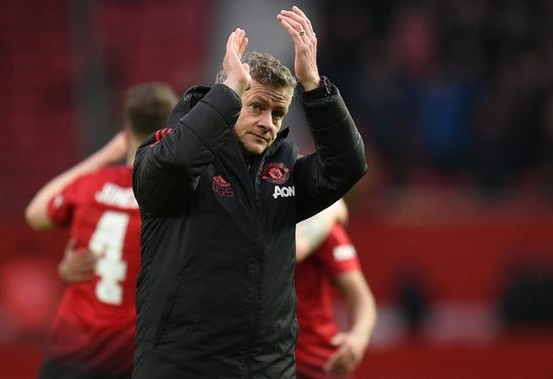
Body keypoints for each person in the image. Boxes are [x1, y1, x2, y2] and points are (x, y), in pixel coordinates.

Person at [132, 6, 367, 378]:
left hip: (266, 369)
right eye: (256, 106)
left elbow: (348, 167)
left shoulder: (286, 169)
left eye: (278, 113)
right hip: (181, 366)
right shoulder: (170, 149)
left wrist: (314, 85)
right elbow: (173, 167)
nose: (267, 123)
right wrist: (227, 91)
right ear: (228, 100)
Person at [24, 83, 177, 379]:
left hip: (71, 351)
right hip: (133, 356)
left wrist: (106, 154)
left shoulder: (91, 185)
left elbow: (36, 214)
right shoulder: (175, 198)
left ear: (125, 127)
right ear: (171, 130)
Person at [295, 200, 376, 379]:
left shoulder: (324, 228)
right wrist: (332, 209)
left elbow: (361, 297)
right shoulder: (324, 218)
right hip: (261, 361)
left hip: (317, 363)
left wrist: (358, 340)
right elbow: (297, 247)